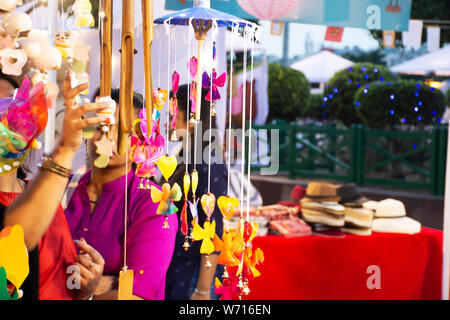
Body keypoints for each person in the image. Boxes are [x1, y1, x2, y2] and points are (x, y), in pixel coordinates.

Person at [63, 74, 177, 300]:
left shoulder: (155, 204)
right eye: (102, 125)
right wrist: (111, 284)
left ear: (142, 141)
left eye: (122, 130)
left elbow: (138, 295)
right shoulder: (62, 188)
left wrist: (86, 294)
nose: (109, 137)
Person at [1, 71, 109, 300]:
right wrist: (66, 149)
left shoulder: (41, 194)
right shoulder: (39, 197)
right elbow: (17, 235)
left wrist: (86, 291)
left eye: (15, 102)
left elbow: (62, 285)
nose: (9, 116)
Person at [165, 84, 226, 300]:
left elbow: (213, 228)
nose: (168, 123)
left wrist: (202, 290)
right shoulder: (186, 156)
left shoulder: (208, 163)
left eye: (174, 116)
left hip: (193, 275)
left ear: (191, 122)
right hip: (176, 266)